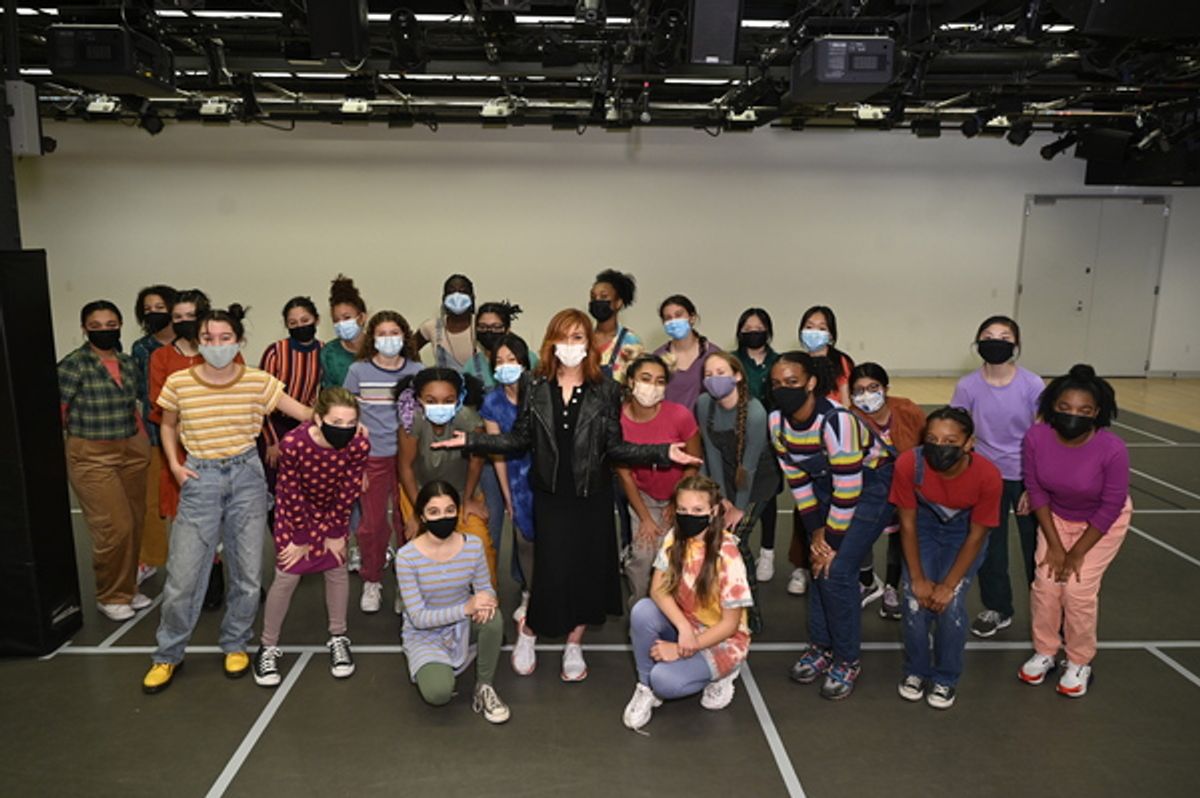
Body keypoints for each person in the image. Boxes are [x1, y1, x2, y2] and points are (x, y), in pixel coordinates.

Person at [432, 308, 700, 682]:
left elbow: (615, 448)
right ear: (550, 343)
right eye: (564, 337)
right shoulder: (536, 386)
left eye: (578, 338)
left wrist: (662, 452)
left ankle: (575, 642)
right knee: (552, 573)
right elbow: (520, 439)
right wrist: (475, 439)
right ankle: (530, 631)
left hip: (593, 496)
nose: (571, 345)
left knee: (588, 572)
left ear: (589, 344)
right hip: (552, 496)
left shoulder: (605, 388)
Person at [143, 305, 313, 694]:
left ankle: (235, 643)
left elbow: (303, 412)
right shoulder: (180, 382)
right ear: (198, 341)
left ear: (238, 341)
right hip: (200, 476)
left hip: (246, 477)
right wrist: (174, 465)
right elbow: (168, 425)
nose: (216, 345)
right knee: (184, 576)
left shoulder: (258, 381)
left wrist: (346, 421)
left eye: (225, 338)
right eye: (208, 339)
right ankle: (168, 653)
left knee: (248, 574)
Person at [770, 351, 894, 701]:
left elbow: (850, 486)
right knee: (817, 561)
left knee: (836, 568)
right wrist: (815, 532)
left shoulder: (836, 421)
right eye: (776, 383)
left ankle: (847, 659)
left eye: (792, 382)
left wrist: (831, 538)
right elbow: (796, 477)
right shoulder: (776, 421)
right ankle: (821, 647)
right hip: (828, 486)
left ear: (811, 383)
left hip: (872, 488)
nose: (783, 389)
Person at [1018, 365, 1130, 698]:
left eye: (1084, 410)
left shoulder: (1112, 449)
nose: (1073, 415)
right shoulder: (1036, 437)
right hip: (1056, 518)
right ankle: (1046, 651)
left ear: (1097, 413)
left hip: (1100, 524)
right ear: (1052, 406)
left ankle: (1080, 660)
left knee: (1078, 592)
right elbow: (1035, 489)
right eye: (1064, 408)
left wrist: (1077, 552)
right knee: (1046, 585)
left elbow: (1111, 505)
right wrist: (1054, 544)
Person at [253, 387, 370, 687]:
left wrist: (335, 532)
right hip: (295, 512)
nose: (344, 430)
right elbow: (289, 492)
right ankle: (267, 646)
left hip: (332, 509)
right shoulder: (293, 443)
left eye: (350, 423)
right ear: (318, 419)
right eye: (336, 422)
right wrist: (301, 537)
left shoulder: (358, 443)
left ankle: (339, 636)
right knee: (287, 574)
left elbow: (349, 488)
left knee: (336, 567)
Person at [623, 475, 753, 731]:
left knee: (666, 680)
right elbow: (658, 589)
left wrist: (686, 646)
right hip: (688, 623)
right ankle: (645, 688)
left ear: (714, 511)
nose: (688, 516)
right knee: (642, 611)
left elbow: (730, 624)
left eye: (697, 510)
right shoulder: (676, 537)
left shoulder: (728, 555)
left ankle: (724, 675)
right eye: (682, 510)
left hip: (723, 639)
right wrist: (683, 629)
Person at [891, 407, 1001, 709]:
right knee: (914, 600)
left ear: (969, 443)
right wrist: (917, 578)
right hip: (924, 526)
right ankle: (916, 670)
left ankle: (946, 677)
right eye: (932, 439)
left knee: (949, 604)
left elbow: (976, 536)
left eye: (951, 441)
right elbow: (908, 524)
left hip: (962, 534)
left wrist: (948, 585)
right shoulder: (908, 464)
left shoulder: (988, 476)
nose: (940, 447)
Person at [147, 288, 242, 611]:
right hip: (185, 455)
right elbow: (161, 409)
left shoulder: (226, 353)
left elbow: (241, 397)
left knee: (233, 523)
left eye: (191, 316)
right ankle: (200, 587)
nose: (185, 322)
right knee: (190, 528)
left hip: (227, 451)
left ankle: (240, 586)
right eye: (178, 318)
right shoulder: (161, 358)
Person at [58, 300, 153, 621]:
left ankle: (127, 588)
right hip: (91, 455)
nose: (104, 331)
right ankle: (109, 594)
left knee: (135, 522)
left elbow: (135, 405)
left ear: (121, 325)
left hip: (130, 450)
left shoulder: (127, 363)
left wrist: (142, 445)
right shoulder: (73, 365)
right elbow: (57, 411)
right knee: (114, 527)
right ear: (84, 329)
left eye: (111, 325)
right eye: (96, 327)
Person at [951, 315, 1043, 639]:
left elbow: (1041, 437)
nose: (996, 341)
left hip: (1025, 475)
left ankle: (1045, 610)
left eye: (1004, 336)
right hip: (986, 476)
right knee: (990, 546)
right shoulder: (967, 386)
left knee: (1037, 547)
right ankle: (997, 607)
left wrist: (1034, 485)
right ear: (978, 343)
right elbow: (959, 431)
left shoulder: (1032, 385)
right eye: (988, 335)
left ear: (1015, 345)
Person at [395, 481, 510, 724]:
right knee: (438, 694)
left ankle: (484, 686)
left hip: (462, 625)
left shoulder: (473, 546)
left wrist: (485, 602)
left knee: (493, 617)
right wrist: (467, 608)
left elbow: (485, 588)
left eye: (449, 510)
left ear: (457, 512)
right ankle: (452, 657)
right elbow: (418, 618)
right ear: (422, 516)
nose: (443, 517)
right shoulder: (407, 557)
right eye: (434, 512)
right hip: (424, 634)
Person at [342, 310, 421, 614]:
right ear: (372, 338)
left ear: (405, 336)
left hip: (407, 459)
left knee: (407, 522)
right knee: (372, 525)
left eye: (394, 333)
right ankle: (372, 580)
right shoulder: (358, 371)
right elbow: (347, 414)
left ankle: (406, 583)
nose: (389, 340)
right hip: (371, 458)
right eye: (382, 334)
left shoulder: (416, 370)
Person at [696, 351, 777, 631]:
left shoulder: (755, 413)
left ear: (738, 376)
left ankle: (750, 611)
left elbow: (749, 466)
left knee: (735, 539)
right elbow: (711, 454)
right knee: (722, 538)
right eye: (708, 374)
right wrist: (719, 498)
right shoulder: (703, 404)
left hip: (756, 482)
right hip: (726, 480)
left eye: (721, 372)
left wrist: (738, 507)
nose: (714, 379)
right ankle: (723, 606)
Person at [396, 367, 497, 585]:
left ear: (459, 399)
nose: (439, 407)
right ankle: (411, 596)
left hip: (461, 491)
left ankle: (485, 601)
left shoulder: (470, 420)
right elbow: (405, 467)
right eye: (431, 400)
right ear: (419, 400)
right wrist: (417, 511)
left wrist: (468, 499)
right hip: (419, 490)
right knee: (419, 546)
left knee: (481, 545)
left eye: (448, 400)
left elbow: (476, 461)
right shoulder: (411, 422)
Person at [617, 354, 702, 601]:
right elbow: (625, 475)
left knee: (677, 555)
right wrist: (645, 517)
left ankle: (679, 610)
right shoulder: (617, 421)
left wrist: (678, 502)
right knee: (643, 555)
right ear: (631, 381)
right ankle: (641, 608)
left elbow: (694, 462)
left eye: (659, 381)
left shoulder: (680, 415)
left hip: (681, 495)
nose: (652, 386)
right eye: (645, 378)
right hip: (643, 497)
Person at [849, 362, 927, 619]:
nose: (867, 395)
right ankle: (867, 580)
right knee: (861, 535)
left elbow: (926, 447)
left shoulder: (907, 409)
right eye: (859, 390)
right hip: (868, 489)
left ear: (885, 388)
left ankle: (893, 586)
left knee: (901, 536)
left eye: (873, 387)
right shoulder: (849, 418)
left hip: (905, 487)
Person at [479, 333, 536, 620]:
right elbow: (497, 452)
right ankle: (528, 591)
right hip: (515, 475)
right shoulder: (492, 402)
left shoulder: (541, 393)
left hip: (545, 474)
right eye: (499, 361)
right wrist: (507, 495)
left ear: (524, 362)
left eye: (511, 360)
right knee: (523, 539)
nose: (505, 366)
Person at [130, 284, 177, 586]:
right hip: (152, 433)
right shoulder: (141, 348)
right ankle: (150, 559)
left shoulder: (193, 343)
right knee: (150, 502)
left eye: (160, 307)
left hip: (191, 436)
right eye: (148, 309)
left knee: (194, 502)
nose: (154, 313)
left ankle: (210, 559)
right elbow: (138, 390)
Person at [733, 308, 783, 583]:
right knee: (740, 488)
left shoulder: (778, 362)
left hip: (772, 440)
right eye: (747, 327)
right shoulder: (732, 361)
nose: (753, 331)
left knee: (769, 495)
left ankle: (768, 552)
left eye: (759, 326)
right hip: (739, 438)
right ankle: (740, 546)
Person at [258, 296, 323, 494]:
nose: (300, 326)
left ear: (317, 320)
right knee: (274, 486)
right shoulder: (275, 352)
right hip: (274, 425)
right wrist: (270, 441)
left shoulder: (324, 350)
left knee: (304, 485)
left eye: (305, 321)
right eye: (293, 323)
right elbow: (261, 398)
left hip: (306, 426)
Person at [654, 295, 721, 412]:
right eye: (668, 318)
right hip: (669, 426)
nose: (673, 321)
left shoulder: (713, 355)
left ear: (692, 318)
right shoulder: (658, 358)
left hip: (705, 426)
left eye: (678, 315)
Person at [414, 273, 478, 371]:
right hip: (445, 384)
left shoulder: (482, 324)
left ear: (472, 297)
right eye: (451, 291)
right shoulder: (431, 327)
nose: (457, 296)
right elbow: (408, 350)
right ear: (444, 298)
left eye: (463, 291)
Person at [590, 269, 643, 381]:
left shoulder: (631, 342)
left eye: (604, 297)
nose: (597, 301)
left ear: (618, 303)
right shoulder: (581, 338)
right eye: (593, 297)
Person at [798, 305, 854, 406]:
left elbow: (847, 402)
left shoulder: (840, 361)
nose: (814, 333)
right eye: (809, 327)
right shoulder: (799, 362)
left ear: (831, 335)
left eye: (822, 328)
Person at [320, 274, 367, 390]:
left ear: (361, 318)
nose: (341, 324)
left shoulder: (378, 348)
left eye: (347, 318)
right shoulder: (329, 353)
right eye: (336, 320)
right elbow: (329, 394)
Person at [464, 300, 523, 391]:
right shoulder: (471, 366)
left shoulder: (527, 358)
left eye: (496, 327)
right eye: (483, 327)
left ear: (507, 329)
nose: (489, 332)